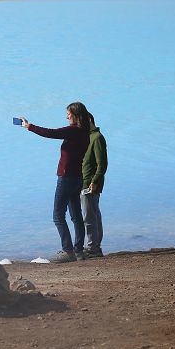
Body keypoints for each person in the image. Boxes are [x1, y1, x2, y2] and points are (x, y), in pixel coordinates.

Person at [20, 102, 90, 263]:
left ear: (76, 115)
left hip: (66, 178)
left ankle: (68, 251)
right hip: (78, 177)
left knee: (58, 215)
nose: (66, 116)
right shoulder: (85, 132)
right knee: (76, 215)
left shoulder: (73, 131)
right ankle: (79, 251)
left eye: (68, 113)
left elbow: (50, 133)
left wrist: (29, 126)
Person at [81, 112, 108, 258]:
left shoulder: (97, 138)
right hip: (86, 182)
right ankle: (94, 246)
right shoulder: (88, 137)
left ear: (88, 120)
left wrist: (94, 181)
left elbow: (102, 163)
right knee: (93, 214)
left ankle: (93, 248)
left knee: (89, 215)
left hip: (90, 183)